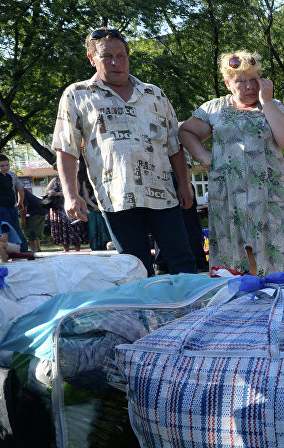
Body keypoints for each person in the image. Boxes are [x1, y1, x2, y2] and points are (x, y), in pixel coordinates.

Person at [51, 27, 196, 276]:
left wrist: (184, 184)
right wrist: (71, 195)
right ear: (91, 58)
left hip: (163, 193)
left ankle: (195, 313)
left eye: (121, 55)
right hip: (116, 196)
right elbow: (66, 149)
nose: (116, 62)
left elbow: (174, 146)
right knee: (135, 267)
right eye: (107, 56)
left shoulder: (154, 94)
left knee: (183, 261)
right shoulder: (77, 94)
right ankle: (145, 315)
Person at [178, 50, 284, 277]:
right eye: (241, 81)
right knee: (234, 257)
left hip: (271, 201)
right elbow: (186, 131)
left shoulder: (272, 106)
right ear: (228, 83)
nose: (249, 87)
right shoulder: (215, 109)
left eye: (254, 80)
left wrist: (266, 101)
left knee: (280, 256)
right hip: (230, 200)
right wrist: (208, 159)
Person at [0, 154, 28, 252]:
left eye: (7, 165)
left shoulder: (9, 176)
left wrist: (20, 202)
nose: (5, 167)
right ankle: (3, 250)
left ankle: (21, 249)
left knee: (15, 229)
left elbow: (20, 189)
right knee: (5, 230)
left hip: (11, 207)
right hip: (0, 208)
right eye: (2, 166)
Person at [44, 177, 87, 252]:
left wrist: (56, 193)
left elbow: (76, 191)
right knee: (61, 229)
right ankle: (65, 249)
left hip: (71, 206)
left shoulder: (73, 178)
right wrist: (51, 192)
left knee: (75, 227)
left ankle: (77, 249)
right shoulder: (55, 180)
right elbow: (47, 191)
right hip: (58, 208)